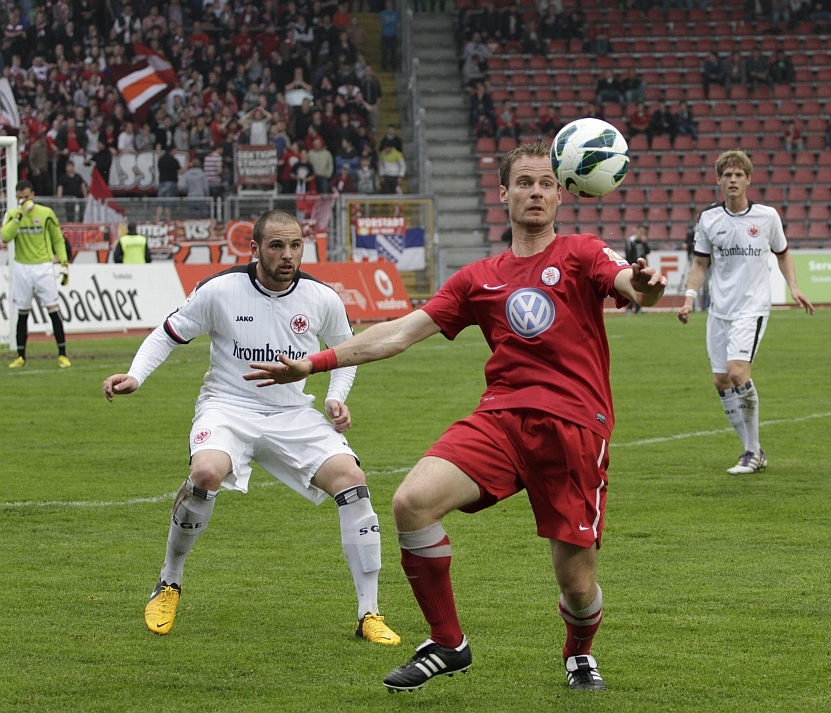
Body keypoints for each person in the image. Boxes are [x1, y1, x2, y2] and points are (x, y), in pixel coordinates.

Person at [244, 141, 667, 693]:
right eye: (524, 182)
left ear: (561, 194)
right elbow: (400, 332)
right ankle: (448, 642)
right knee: (412, 502)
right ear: (504, 194)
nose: (535, 192)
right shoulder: (478, 278)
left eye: (546, 183)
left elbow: (629, 284)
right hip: (502, 419)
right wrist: (313, 362)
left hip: (574, 429)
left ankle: (579, 653)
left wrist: (644, 288)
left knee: (577, 584)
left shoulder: (582, 252)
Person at [100, 210, 400, 647]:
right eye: (277, 246)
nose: (288, 255)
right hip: (228, 407)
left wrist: (336, 397)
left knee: (352, 481)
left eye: (295, 245)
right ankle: (169, 581)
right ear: (255, 248)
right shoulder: (220, 290)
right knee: (206, 473)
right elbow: (167, 333)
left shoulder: (321, 298)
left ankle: (369, 613)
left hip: (292, 414)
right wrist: (135, 376)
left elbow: (346, 353)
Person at [677, 150, 814, 475]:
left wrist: (794, 287)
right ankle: (753, 451)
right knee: (721, 380)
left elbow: (783, 254)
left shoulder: (767, 217)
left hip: (752, 308)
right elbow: (700, 264)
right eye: (727, 175)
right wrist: (689, 298)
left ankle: (752, 451)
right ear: (719, 180)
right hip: (719, 310)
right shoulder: (709, 219)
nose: (733, 180)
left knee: (738, 372)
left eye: (739, 175)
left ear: (749, 179)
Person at [2, 180, 71, 369]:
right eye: (20, 198)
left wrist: (64, 262)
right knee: (22, 313)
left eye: (26, 197)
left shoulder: (46, 213)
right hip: (22, 268)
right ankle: (21, 356)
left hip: (43, 267)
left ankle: (62, 354)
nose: (23, 201)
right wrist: (19, 216)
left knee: (53, 310)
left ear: (32, 194)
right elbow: (6, 237)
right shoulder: (12, 215)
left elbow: (57, 239)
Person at [624, 225, 651, 314]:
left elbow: (648, 251)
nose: (642, 234)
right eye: (641, 232)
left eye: (643, 232)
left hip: (643, 267)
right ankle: (629, 308)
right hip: (633, 266)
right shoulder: (631, 241)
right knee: (633, 287)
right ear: (637, 231)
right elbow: (628, 254)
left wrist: (645, 243)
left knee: (641, 287)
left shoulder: (643, 241)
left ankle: (638, 308)